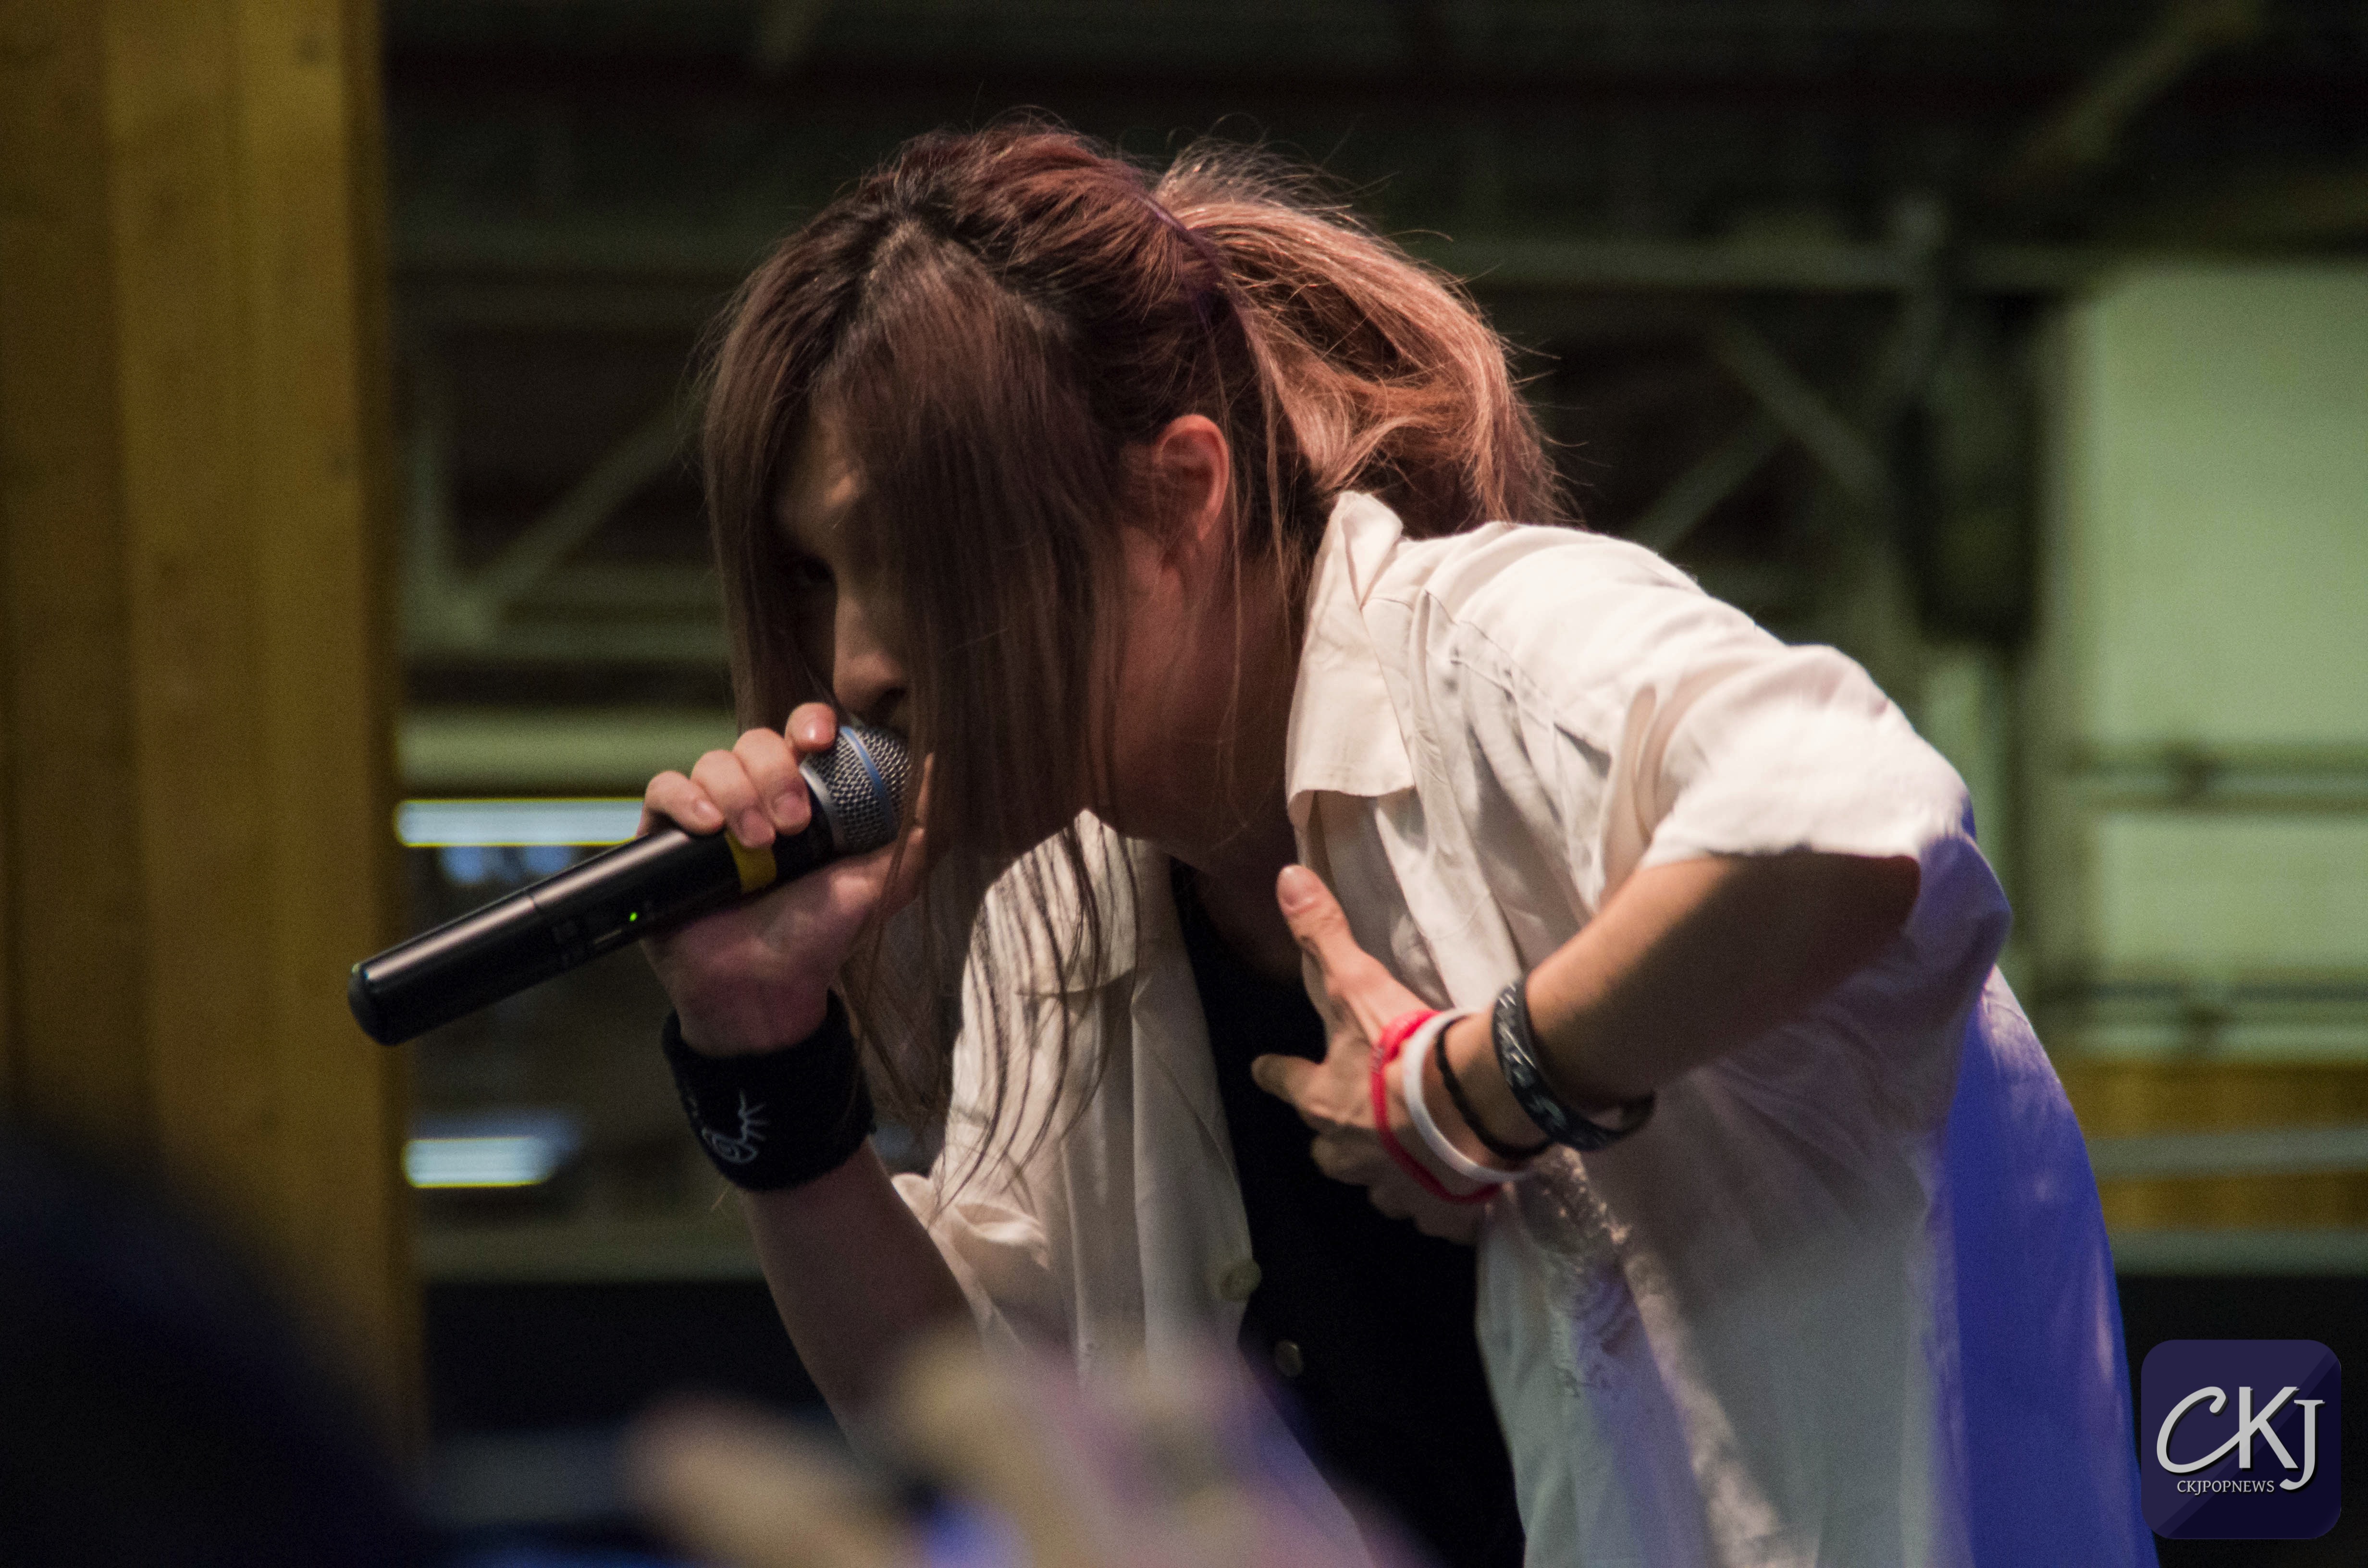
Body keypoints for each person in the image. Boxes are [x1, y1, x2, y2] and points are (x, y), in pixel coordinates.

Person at [637, 124, 2153, 1567]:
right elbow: (986, 1423)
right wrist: (761, 1051)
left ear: (1180, 494)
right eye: (820, 576)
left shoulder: (1502, 647)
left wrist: (1490, 1084)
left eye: (917, 562)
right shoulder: (1067, 895)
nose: (857, 665)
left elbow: (1852, 821)